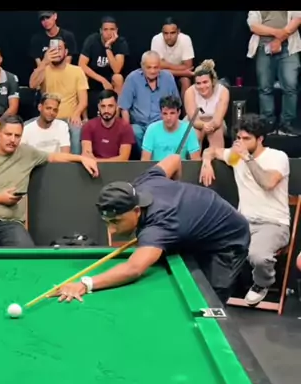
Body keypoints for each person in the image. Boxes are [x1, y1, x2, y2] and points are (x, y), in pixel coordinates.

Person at [54, 153, 250, 304]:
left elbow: (133, 269)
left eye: (116, 222)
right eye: (108, 222)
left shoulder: (159, 226)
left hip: (228, 241)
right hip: (200, 230)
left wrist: (85, 284)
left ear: (136, 210)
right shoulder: (144, 183)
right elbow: (174, 159)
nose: (112, 230)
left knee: (209, 301)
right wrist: (177, 194)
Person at [0, 114, 98, 248]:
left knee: (28, 257)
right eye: (8, 134)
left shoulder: (27, 153)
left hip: (11, 224)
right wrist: (0, 198)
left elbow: (54, 157)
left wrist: (81, 158)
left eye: (17, 136)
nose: (13, 140)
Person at [200, 114, 290, 306]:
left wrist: (247, 158)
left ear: (260, 139)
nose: (240, 142)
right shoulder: (236, 157)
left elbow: (268, 183)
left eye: (246, 138)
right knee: (208, 242)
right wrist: (207, 162)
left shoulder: (277, 157)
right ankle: (214, 291)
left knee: (258, 257)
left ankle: (262, 284)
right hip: (243, 222)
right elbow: (211, 150)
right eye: (239, 138)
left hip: (273, 223)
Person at [28, 39, 88, 154]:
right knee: (24, 127)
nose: (56, 52)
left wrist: (76, 114)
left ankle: (74, 163)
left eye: (59, 49)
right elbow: (32, 85)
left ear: (66, 52)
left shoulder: (77, 71)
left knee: (77, 130)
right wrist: (44, 62)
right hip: (47, 117)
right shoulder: (43, 69)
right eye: (53, 49)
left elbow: (83, 101)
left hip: (69, 118)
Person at [247, 10, 301, 135]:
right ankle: (268, 123)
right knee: (265, 88)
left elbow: (297, 19)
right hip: (263, 47)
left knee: (291, 86)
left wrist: (278, 40)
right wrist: (278, 33)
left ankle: (287, 124)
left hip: (289, 47)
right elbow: (253, 25)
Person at [118, 50, 179, 151]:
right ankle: (146, 157)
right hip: (139, 125)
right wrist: (126, 129)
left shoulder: (168, 78)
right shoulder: (132, 78)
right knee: (134, 131)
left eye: (156, 67)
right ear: (142, 66)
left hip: (161, 124)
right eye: (149, 67)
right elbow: (124, 107)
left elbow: (176, 104)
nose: (152, 71)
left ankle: (157, 156)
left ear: (160, 66)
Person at [78, 15, 129, 117]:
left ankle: (115, 116)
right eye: (105, 29)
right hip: (94, 77)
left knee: (118, 78)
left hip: (111, 79)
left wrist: (108, 47)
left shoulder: (120, 42)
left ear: (116, 30)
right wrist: (102, 80)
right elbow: (81, 64)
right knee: (82, 75)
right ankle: (85, 117)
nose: (109, 32)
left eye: (112, 29)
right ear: (101, 31)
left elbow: (116, 69)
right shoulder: (92, 40)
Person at [184, 60, 229, 149]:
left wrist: (209, 126)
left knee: (217, 134)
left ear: (212, 81)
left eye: (205, 82)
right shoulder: (189, 92)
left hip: (215, 123)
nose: (202, 86)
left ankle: (215, 156)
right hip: (193, 123)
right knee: (194, 135)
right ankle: (194, 157)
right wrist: (204, 126)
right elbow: (194, 121)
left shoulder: (223, 91)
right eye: (198, 83)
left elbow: (217, 120)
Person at [141, 96, 201, 161]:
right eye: (165, 113)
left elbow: (196, 160)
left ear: (179, 112)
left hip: (180, 167)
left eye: (172, 113)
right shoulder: (152, 129)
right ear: (161, 114)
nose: (168, 117)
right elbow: (144, 160)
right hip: (157, 167)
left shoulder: (188, 130)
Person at [81, 90, 135, 161]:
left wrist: (97, 161)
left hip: (117, 167)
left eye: (110, 106)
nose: (106, 110)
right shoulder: (89, 126)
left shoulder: (125, 127)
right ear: (98, 107)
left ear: (117, 107)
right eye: (103, 106)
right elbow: (86, 156)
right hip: (93, 167)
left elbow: (123, 158)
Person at [150, 17, 195, 99]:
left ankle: (186, 107)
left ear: (178, 32)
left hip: (177, 74)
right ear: (162, 32)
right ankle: (163, 107)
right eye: (166, 33)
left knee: (186, 81)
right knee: (159, 79)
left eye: (172, 33)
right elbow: (157, 68)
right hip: (164, 74)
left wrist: (165, 65)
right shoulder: (156, 39)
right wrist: (183, 72)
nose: (169, 36)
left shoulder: (185, 39)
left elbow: (188, 66)